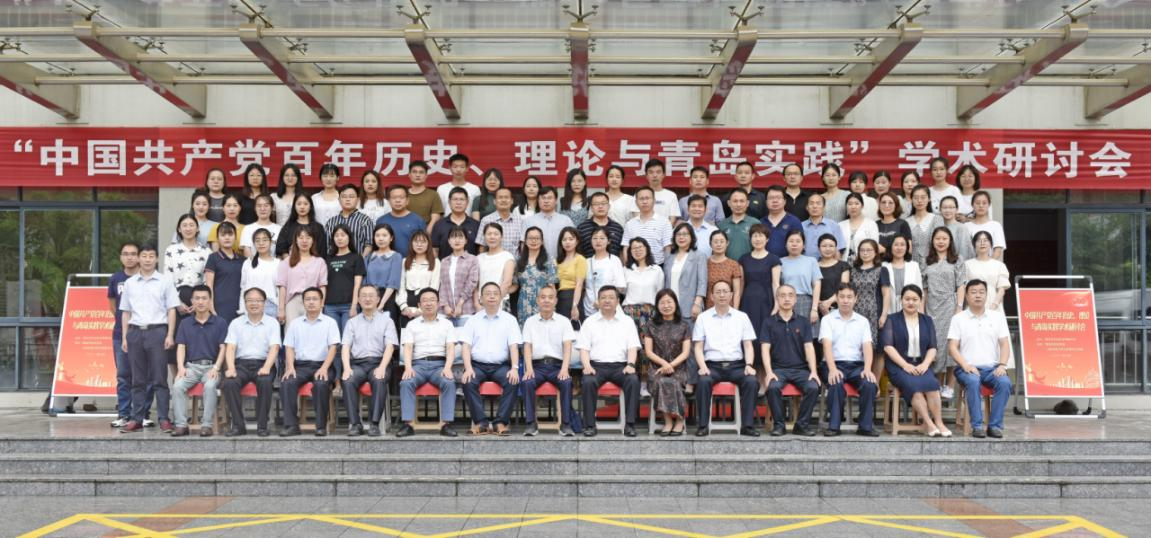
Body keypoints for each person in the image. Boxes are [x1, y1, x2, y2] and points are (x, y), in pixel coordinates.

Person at [118, 243, 181, 433]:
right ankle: (136, 418)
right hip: (135, 332)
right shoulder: (130, 283)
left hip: (157, 332)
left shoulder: (165, 281)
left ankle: (164, 418)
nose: (147, 259)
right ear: (139, 258)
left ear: (156, 259)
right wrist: (125, 337)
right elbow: (125, 312)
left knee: (159, 379)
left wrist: (170, 334)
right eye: (144, 256)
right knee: (137, 379)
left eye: (151, 256)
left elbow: (172, 310)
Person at [693, 280, 760, 437]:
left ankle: (747, 426)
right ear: (711, 296)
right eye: (718, 292)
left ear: (731, 295)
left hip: (736, 366)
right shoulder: (703, 318)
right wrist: (702, 366)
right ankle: (703, 425)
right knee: (703, 382)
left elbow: (748, 345)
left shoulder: (742, 317)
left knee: (751, 381)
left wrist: (749, 364)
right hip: (712, 366)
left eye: (725, 291)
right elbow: (698, 347)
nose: (722, 295)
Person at [882, 284, 950, 437]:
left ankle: (939, 422)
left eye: (914, 299)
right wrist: (905, 365)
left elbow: (933, 347)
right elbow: (888, 347)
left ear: (920, 300)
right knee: (915, 388)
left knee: (933, 385)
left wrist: (925, 364)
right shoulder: (892, 319)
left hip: (921, 364)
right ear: (901, 300)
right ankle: (929, 423)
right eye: (907, 299)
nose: (911, 302)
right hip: (899, 366)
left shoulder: (927, 320)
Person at [948, 279, 1013, 438]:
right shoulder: (958, 318)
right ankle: (976, 426)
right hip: (966, 369)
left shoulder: (997, 317)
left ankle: (994, 426)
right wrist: (965, 365)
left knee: (1005, 382)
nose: (978, 295)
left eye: (981, 292)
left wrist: (1002, 365)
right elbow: (952, 348)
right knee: (973, 380)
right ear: (967, 296)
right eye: (973, 292)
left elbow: (1004, 344)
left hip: (992, 369)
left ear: (986, 295)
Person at [577, 286, 642, 437]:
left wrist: (630, 364)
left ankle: (630, 425)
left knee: (633, 380)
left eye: (611, 297)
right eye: (603, 297)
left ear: (618, 301)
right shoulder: (589, 322)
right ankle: (589, 425)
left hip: (620, 367)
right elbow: (584, 349)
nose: (607, 300)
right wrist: (586, 366)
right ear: (598, 301)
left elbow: (632, 347)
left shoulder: (627, 321)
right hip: (596, 367)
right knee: (587, 381)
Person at [460, 282, 524, 436]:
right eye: (488, 293)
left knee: (512, 381)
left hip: (500, 366)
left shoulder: (509, 320)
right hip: (477, 366)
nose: (492, 296)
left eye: (495, 293)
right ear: (481, 298)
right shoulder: (473, 320)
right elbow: (466, 347)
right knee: (468, 381)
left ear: (501, 297)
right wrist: (468, 368)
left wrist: (515, 368)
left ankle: (500, 422)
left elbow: (514, 347)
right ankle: (481, 423)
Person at [397, 288, 459, 437]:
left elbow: (450, 348)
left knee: (449, 382)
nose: (428, 303)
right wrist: (408, 368)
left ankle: (446, 424)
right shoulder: (412, 325)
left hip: (439, 365)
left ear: (438, 303)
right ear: (419, 305)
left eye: (432, 300)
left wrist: (448, 368)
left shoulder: (447, 324)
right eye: (424, 300)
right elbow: (408, 348)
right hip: (418, 365)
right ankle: (408, 425)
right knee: (406, 383)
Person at [819, 283, 880, 437]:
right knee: (836, 382)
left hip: (856, 366)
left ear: (855, 299)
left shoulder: (862, 321)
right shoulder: (828, 319)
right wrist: (833, 369)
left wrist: (867, 369)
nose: (845, 300)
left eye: (849, 297)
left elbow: (867, 346)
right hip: (832, 364)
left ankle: (865, 426)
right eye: (842, 297)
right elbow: (826, 346)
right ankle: (834, 426)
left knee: (869, 384)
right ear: (836, 298)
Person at [280, 287, 341, 436]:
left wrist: (324, 368)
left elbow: (333, 348)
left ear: (322, 302)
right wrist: (290, 367)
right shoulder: (295, 323)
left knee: (320, 384)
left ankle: (320, 426)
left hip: (323, 365)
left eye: (315, 299)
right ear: (303, 302)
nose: (311, 302)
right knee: (287, 382)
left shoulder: (330, 322)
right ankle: (291, 425)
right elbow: (289, 347)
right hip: (300, 366)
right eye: (308, 299)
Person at [761, 284, 821, 437]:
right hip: (778, 370)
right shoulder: (768, 322)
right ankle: (779, 425)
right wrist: (769, 372)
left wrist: (813, 371)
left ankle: (801, 425)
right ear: (777, 298)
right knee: (773, 387)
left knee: (813, 387)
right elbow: (765, 349)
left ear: (795, 299)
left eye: (790, 295)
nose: (786, 299)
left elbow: (809, 347)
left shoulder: (803, 322)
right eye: (782, 295)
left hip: (801, 370)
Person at [220, 287, 280, 437]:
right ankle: (238, 426)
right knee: (229, 383)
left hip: (263, 363)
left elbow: (274, 348)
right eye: (250, 300)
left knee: (265, 382)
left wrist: (267, 367)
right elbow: (230, 348)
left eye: (258, 300)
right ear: (245, 303)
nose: (254, 303)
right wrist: (231, 368)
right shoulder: (236, 323)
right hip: (241, 365)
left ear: (264, 303)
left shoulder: (272, 323)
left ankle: (262, 426)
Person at [340, 285, 398, 437]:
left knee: (379, 380)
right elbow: (345, 346)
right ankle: (355, 424)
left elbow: (390, 346)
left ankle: (374, 424)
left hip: (379, 362)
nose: (367, 299)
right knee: (347, 380)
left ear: (378, 299)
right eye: (364, 296)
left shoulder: (387, 321)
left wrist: (382, 367)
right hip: (357, 364)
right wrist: (347, 368)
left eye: (371, 296)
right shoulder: (352, 322)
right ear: (358, 300)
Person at [170, 285, 227, 437]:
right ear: (192, 301)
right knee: (177, 386)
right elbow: (181, 347)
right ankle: (181, 425)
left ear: (210, 300)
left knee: (210, 386)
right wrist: (181, 367)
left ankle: (206, 425)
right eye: (197, 298)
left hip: (211, 367)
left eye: (204, 298)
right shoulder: (185, 323)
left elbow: (223, 348)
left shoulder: (220, 322)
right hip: (191, 367)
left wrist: (216, 368)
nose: (200, 302)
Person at [520, 285, 577, 437]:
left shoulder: (564, 321)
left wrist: (564, 369)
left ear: (556, 301)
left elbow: (567, 347)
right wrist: (529, 368)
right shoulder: (530, 322)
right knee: (527, 382)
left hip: (557, 366)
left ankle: (565, 424)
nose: (547, 300)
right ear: (538, 300)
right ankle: (531, 424)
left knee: (566, 382)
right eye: (543, 297)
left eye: (550, 297)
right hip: (537, 366)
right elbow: (527, 347)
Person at [923, 226, 966, 399]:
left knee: (952, 344)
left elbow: (961, 284)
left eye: (944, 239)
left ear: (950, 241)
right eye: (937, 238)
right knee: (936, 346)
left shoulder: (957, 260)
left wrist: (959, 307)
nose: (941, 242)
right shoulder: (927, 260)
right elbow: (924, 288)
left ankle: (949, 386)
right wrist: (922, 310)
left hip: (950, 306)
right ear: (932, 241)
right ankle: (937, 385)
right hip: (931, 307)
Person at [642, 289, 692, 436]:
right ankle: (668, 421)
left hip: (679, 368)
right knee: (660, 381)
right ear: (657, 305)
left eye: (669, 302)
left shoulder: (684, 325)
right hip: (656, 367)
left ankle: (680, 420)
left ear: (675, 303)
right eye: (662, 302)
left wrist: (671, 365)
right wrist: (664, 364)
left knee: (674, 382)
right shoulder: (650, 325)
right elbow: (648, 351)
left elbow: (685, 353)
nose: (666, 305)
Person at [739, 224, 782, 390]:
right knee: (749, 338)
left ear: (767, 239)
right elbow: (741, 284)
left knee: (764, 339)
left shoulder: (773, 259)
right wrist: (737, 306)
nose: (757, 239)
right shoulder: (743, 259)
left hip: (766, 302)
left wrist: (776, 305)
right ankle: (752, 381)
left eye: (761, 236)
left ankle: (765, 381)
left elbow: (776, 284)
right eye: (754, 236)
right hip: (748, 303)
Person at [108, 242, 145, 428]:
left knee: (144, 376)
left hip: (142, 332)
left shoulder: (145, 278)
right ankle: (124, 414)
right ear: (121, 257)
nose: (129, 257)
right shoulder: (116, 279)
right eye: (125, 254)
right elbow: (113, 306)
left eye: (133, 254)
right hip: (119, 333)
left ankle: (142, 414)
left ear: (139, 256)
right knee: (123, 376)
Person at [849, 239, 890, 371]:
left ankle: (873, 380)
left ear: (876, 252)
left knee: (875, 348)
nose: (865, 253)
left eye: (869, 250)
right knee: (857, 346)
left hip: (874, 313)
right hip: (855, 312)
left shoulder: (882, 270)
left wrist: (884, 315)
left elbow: (886, 294)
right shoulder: (853, 270)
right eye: (862, 250)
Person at [276, 227, 328, 325]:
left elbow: (322, 286)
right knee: (291, 329)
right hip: (293, 302)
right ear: (296, 240)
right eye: (301, 237)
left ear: (313, 241)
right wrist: (281, 309)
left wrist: (321, 306)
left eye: (308, 238)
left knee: (312, 330)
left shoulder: (320, 262)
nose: (304, 241)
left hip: (313, 301)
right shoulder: (287, 262)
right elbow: (282, 286)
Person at [166, 213, 212, 320]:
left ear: (197, 228)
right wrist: (177, 303)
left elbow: (207, 280)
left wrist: (199, 303)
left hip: (200, 300)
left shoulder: (207, 251)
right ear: (179, 229)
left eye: (191, 225)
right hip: (176, 299)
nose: (188, 228)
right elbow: (168, 279)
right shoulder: (171, 250)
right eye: (184, 225)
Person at [512, 226, 558, 325]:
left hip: (543, 301)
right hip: (524, 303)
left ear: (542, 241)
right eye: (530, 238)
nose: (533, 241)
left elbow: (552, 286)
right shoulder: (519, 261)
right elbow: (515, 285)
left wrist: (552, 305)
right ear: (525, 241)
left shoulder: (549, 261)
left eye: (537, 238)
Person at [323, 224, 366, 332]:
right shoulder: (328, 258)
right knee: (333, 338)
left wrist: (354, 305)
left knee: (348, 338)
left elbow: (357, 284)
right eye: (336, 235)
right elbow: (323, 283)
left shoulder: (356, 257)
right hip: (330, 305)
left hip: (349, 304)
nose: (339, 238)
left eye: (343, 235)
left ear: (349, 237)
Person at [779, 229, 822, 328]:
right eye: (791, 241)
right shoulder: (780, 262)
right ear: (785, 245)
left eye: (798, 241)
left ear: (804, 245)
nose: (794, 244)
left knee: (808, 335)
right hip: (785, 301)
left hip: (806, 302)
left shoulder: (811, 261)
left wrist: (814, 309)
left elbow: (817, 285)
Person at [397, 230, 440, 329]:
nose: (419, 245)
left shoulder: (435, 262)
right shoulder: (405, 261)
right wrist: (404, 307)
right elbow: (401, 287)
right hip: (407, 305)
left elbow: (434, 287)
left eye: (423, 242)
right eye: (416, 241)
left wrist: (421, 310)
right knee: (407, 335)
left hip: (427, 305)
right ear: (411, 243)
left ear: (428, 244)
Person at [664, 223, 707, 320]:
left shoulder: (699, 256)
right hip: (669, 306)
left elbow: (702, 282)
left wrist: (697, 303)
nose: (681, 237)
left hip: (690, 306)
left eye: (685, 234)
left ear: (691, 237)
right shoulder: (669, 256)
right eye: (678, 234)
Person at [438, 226, 480, 327]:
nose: (457, 240)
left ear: (466, 241)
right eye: (453, 237)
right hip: (446, 312)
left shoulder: (472, 259)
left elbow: (472, 283)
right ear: (449, 241)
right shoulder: (444, 261)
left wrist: (460, 304)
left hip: (466, 310)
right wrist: (445, 305)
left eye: (460, 237)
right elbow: (442, 286)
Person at [204, 223, 245, 324]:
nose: (227, 237)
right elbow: (209, 285)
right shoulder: (213, 258)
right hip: (219, 306)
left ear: (235, 237)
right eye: (223, 235)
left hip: (240, 306)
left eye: (230, 234)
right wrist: (211, 307)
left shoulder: (243, 260)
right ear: (218, 238)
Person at [622, 186, 674, 266]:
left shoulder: (664, 222)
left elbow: (668, 247)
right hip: (635, 267)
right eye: (641, 199)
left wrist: (667, 267)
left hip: (658, 266)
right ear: (636, 202)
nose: (644, 201)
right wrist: (628, 266)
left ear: (654, 201)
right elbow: (626, 247)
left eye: (647, 198)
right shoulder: (630, 224)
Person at [522, 186, 574, 263]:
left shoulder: (566, 221)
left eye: (549, 198)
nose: (546, 201)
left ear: (556, 201)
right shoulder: (529, 221)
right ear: (538, 200)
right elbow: (523, 245)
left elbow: (573, 243)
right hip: (536, 265)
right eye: (543, 198)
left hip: (562, 264)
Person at [621, 237, 663, 330]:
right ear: (630, 251)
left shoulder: (657, 270)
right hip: (629, 311)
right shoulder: (626, 270)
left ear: (647, 248)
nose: (637, 250)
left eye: (640, 247)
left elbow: (659, 292)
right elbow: (622, 291)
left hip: (650, 312)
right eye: (634, 248)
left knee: (648, 339)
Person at [584, 227, 626, 318]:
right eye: (595, 238)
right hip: (589, 311)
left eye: (602, 238)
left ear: (608, 241)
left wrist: (604, 301)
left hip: (610, 310)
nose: (598, 241)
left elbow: (620, 287)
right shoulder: (586, 262)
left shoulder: (614, 260)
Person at [963, 231, 1011, 311]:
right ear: (974, 245)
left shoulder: (999, 265)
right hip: (972, 307)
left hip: (994, 306)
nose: (982, 243)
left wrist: (994, 305)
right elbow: (963, 288)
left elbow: (1001, 289)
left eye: (985, 240)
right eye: (979, 240)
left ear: (991, 244)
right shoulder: (966, 264)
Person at [364, 223, 403, 320]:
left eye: (384, 235)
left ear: (391, 238)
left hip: (387, 298)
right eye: (377, 235)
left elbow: (393, 283)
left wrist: (381, 304)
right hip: (369, 298)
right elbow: (364, 281)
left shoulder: (396, 256)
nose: (380, 239)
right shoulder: (369, 257)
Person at [324, 184, 375, 256]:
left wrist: (361, 260)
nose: (347, 199)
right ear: (339, 200)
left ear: (358, 200)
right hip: (336, 262)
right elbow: (327, 245)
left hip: (358, 261)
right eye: (344, 197)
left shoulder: (365, 220)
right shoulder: (331, 222)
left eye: (351, 196)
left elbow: (370, 245)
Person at [239, 229, 280, 319]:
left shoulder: (277, 263)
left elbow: (280, 289)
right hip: (250, 306)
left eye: (265, 240)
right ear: (253, 244)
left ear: (271, 243)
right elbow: (243, 287)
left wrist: (280, 309)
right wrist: (242, 309)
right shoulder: (248, 263)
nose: (261, 243)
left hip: (271, 305)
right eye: (257, 240)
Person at [378, 185, 428, 258]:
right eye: (394, 197)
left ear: (407, 200)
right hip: (387, 262)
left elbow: (425, 244)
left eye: (401, 197)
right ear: (388, 201)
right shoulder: (381, 221)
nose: (398, 200)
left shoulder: (417, 220)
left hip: (411, 262)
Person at [431, 186, 480, 258]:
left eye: (462, 199)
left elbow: (480, 250)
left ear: (467, 202)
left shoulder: (476, 225)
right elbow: (434, 250)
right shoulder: (439, 225)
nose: (458, 202)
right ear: (449, 202)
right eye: (455, 199)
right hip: (445, 264)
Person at [882, 235, 922, 318]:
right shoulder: (883, 266)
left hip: (910, 305)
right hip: (889, 306)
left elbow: (920, 291)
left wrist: (921, 313)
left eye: (902, 245)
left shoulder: (914, 266)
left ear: (907, 248)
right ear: (890, 247)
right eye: (896, 244)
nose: (899, 248)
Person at [476, 222, 516, 307]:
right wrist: (478, 304)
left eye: (496, 234)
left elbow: (507, 283)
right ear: (484, 236)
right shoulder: (479, 258)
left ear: (501, 237)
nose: (492, 237)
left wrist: (494, 302)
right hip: (481, 303)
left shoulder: (507, 257)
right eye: (489, 234)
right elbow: (475, 284)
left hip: (501, 302)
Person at [276, 193, 328, 258]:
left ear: (310, 206)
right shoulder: (288, 226)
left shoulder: (318, 228)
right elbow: (280, 248)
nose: (302, 207)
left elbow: (322, 252)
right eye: (299, 204)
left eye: (305, 204)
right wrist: (289, 260)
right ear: (294, 206)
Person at [476, 187, 524, 254]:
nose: (503, 200)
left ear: (512, 201)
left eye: (506, 197)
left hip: (515, 259)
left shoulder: (520, 221)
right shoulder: (486, 220)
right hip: (493, 259)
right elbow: (482, 246)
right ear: (494, 201)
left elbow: (522, 245)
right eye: (500, 197)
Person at [577, 191, 624, 258]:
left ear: (609, 206)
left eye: (603, 203)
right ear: (591, 207)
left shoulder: (618, 228)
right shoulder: (582, 228)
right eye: (596, 204)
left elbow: (622, 252)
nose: (600, 206)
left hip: (614, 264)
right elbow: (577, 252)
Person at [906, 185, 945, 266]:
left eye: (923, 197)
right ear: (911, 200)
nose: (919, 200)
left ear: (929, 199)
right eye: (916, 198)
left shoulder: (937, 219)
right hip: (910, 264)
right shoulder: (906, 221)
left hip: (932, 263)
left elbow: (940, 243)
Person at [816, 234, 852, 321]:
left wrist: (828, 302)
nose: (828, 249)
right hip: (816, 309)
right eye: (824, 246)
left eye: (831, 246)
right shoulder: (814, 266)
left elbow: (844, 288)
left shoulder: (843, 265)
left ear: (836, 248)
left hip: (837, 308)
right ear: (818, 248)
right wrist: (819, 304)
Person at [761, 186, 804, 258]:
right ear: (766, 202)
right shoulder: (761, 223)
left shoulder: (794, 221)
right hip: (765, 263)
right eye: (771, 198)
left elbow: (800, 245)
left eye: (778, 197)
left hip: (789, 263)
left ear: (784, 201)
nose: (775, 201)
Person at [555, 227, 586, 323]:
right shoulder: (556, 261)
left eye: (571, 239)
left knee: (574, 328)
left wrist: (575, 305)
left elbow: (579, 285)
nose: (567, 242)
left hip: (573, 297)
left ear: (577, 241)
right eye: (564, 239)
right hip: (558, 298)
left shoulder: (580, 259)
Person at [705, 231, 742, 310]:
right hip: (709, 308)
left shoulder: (733, 264)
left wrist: (735, 311)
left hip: (728, 308)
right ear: (710, 244)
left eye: (722, 241)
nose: (719, 244)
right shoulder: (704, 264)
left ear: (727, 243)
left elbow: (737, 292)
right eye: (715, 242)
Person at [965, 191, 1006, 260]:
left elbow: (998, 249)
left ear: (989, 205)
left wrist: (988, 265)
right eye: (977, 203)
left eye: (984, 203)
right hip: (970, 264)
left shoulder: (996, 225)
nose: (981, 205)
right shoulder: (965, 226)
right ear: (972, 205)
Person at [801, 193, 844, 259]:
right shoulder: (801, 226)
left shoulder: (833, 225)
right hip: (806, 263)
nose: (815, 206)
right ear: (807, 207)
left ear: (824, 207)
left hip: (828, 263)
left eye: (818, 203)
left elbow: (838, 249)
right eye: (811, 203)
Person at [839, 193, 879, 264]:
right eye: (850, 204)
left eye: (856, 203)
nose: (853, 207)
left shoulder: (871, 224)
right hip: (844, 265)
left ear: (862, 206)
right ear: (846, 206)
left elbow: (874, 246)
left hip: (865, 264)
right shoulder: (840, 225)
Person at [404, 160, 444, 230]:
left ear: (426, 176)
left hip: (426, 233)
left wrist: (426, 233)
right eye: (414, 172)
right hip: (404, 230)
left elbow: (435, 218)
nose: (417, 175)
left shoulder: (433, 195)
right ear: (409, 175)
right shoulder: (403, 194)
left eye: (421, 172)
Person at [717, 189, 755, 262]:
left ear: (747, 203)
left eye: (742, 201)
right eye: (735, 201)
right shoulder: (721, 225)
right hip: (726, 266)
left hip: (749, 266)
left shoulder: (755, 223)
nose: (738, 204)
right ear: (729, 203)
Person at [644, 158, 681, 224]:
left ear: (664, 175)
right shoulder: (639, 194)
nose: (655, 175)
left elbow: (672, 220)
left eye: (658, 172)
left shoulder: (671, 196)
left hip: (665, 230)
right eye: (651, 172)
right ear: (646, 175)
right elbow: (637, 216)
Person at [876, 192, 912, 258]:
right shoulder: (874, 225)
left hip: (896, 262)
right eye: (883, 202)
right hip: (877, 263)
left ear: (896, 206)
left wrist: (884, 250)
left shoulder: (902, 224)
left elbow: (909, 250)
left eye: (890, 203)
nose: (886, 205)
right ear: (879, 205)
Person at [939, 196, 974, 261]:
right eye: (945, 207)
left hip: (956, 264)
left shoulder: (961, 228)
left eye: (951, 207)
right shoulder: (937, 227)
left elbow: (964, 253)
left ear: (957, 209)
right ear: (940, 209)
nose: (948, 210)